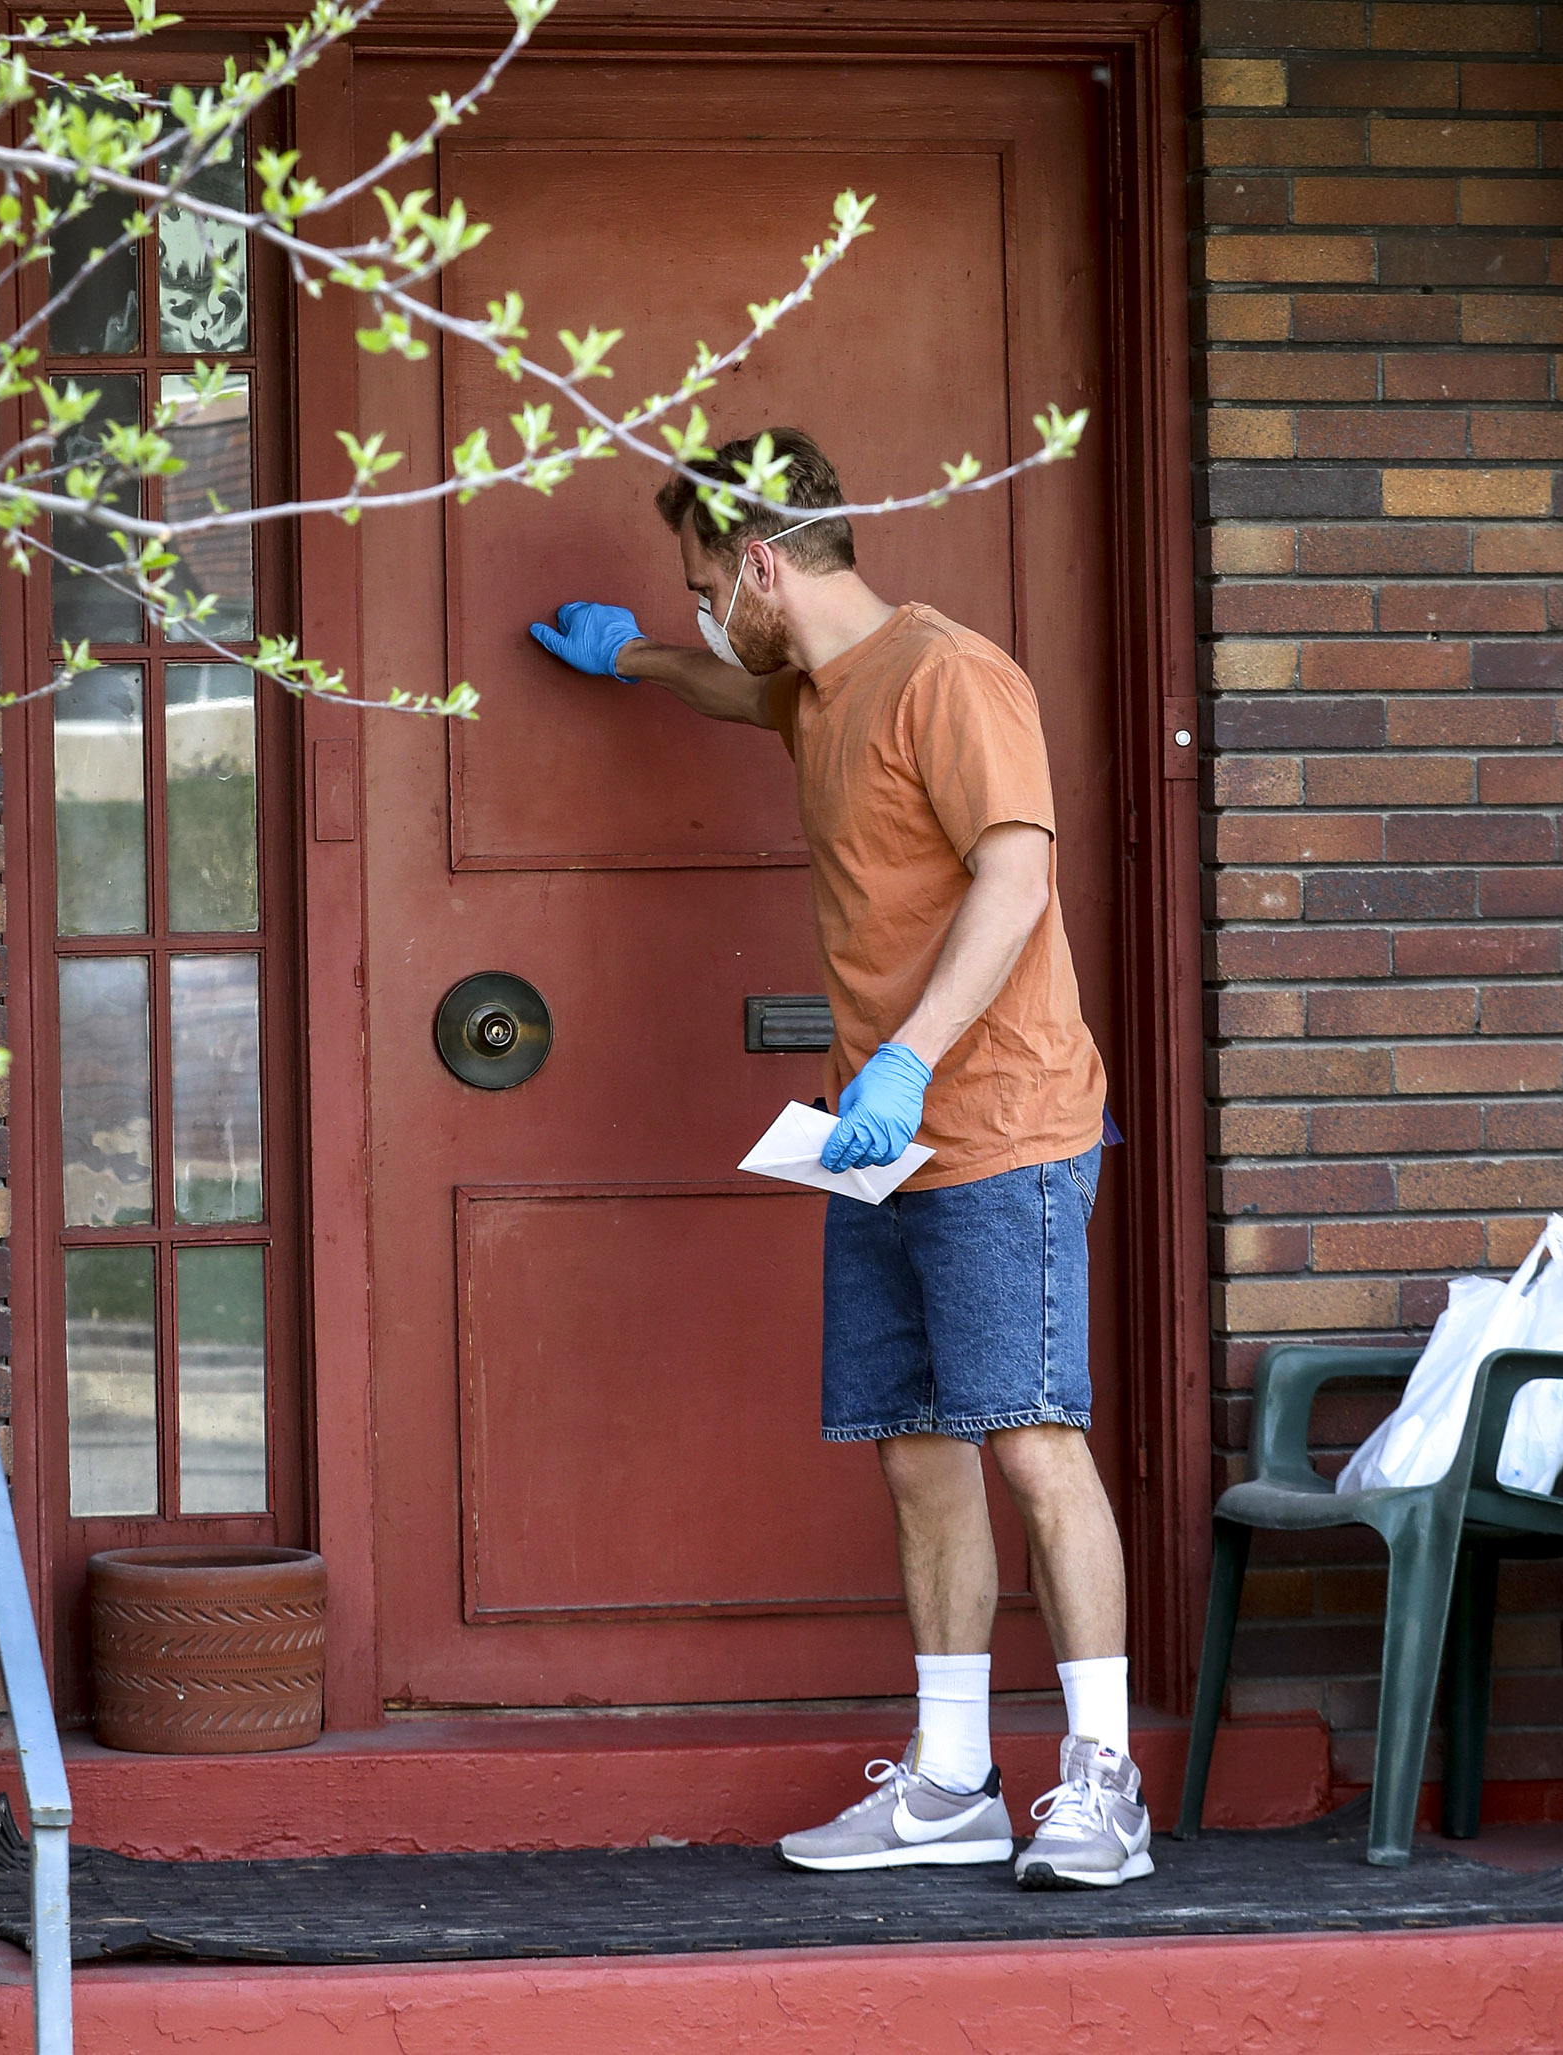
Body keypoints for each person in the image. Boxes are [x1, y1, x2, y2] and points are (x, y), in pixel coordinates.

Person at [527, 428, 1148, 1891]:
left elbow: (1018, 874)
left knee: (1032, 1437)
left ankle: (1104, 1785)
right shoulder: (816, 689)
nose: (697, 611)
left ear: (758, 564)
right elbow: (733, 689)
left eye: (699, 587)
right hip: (880, 1149)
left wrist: (912, 1054)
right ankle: (951, 1784)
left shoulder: (950, 676)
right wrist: (630, 661)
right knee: (916, 1449)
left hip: (1000, 1124)